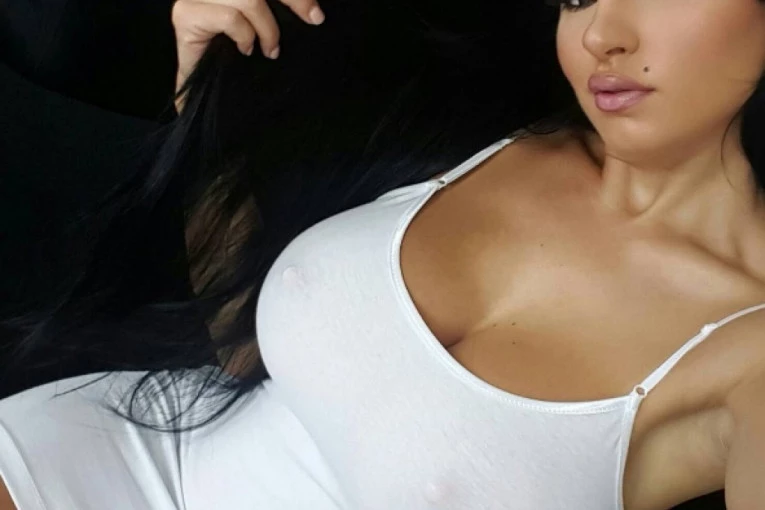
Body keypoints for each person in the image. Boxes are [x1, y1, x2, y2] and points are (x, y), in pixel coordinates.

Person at [0, 0, 763, 508]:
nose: (601, 34)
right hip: (91, 458)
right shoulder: (487, 125)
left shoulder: (747, 350)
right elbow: (238, 346)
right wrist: (202, 90)